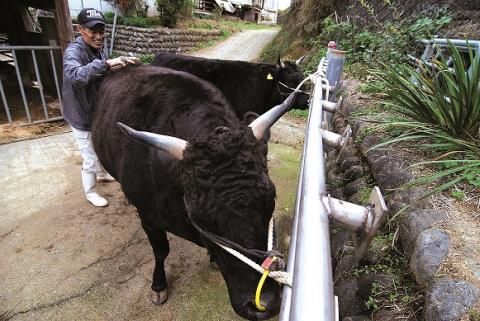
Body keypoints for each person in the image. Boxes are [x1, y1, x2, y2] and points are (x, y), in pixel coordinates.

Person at [62, 8, 139, 207]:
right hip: (80, 113)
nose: (99, 36)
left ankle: (103, 174)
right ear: (80, 29)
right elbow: (77, 76)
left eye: (101, 31)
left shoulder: (96, 49)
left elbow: (101, 69)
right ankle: (91, 192)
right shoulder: (73, 51)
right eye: (93, 32)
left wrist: (121, 62)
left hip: (95, 110)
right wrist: (106, 63)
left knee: (99, 146)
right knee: (89, 156)